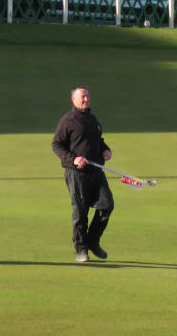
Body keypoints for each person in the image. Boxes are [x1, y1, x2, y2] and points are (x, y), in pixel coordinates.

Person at [51, 86, 114, 263]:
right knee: (80, 213)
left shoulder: (93, 119)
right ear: (73, 100)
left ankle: (93, 242)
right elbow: (56, 145)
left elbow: (98, 141)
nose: (86, 99)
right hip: (76, 174)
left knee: (107, 205)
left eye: (87, 96)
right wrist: (74, 159)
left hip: (96, 171)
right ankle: (81, 249)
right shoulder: (67, 121)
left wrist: (106, 150)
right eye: (82, 97)